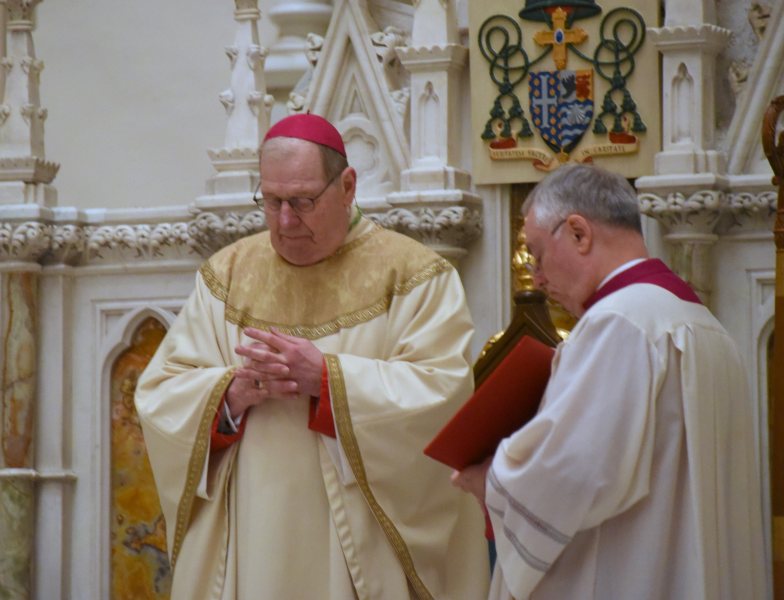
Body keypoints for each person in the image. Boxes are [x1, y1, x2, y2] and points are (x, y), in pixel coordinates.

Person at [134, 113, 489, 600]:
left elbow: (443, 393)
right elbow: (161, 393)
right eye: (272, 201)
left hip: (358, 548)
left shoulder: (414, 275)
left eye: (302, 201)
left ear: (347, 187)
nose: (285, 220)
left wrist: (327, 379)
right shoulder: (228, 274)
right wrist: (229, 396)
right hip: (251, 537)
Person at [452, 163, 768, 600]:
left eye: (538, 256)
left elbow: (575, 471)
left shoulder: (619, 324)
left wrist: (492, 479)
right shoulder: (703, 324)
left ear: (579, 233)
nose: (538, 279)